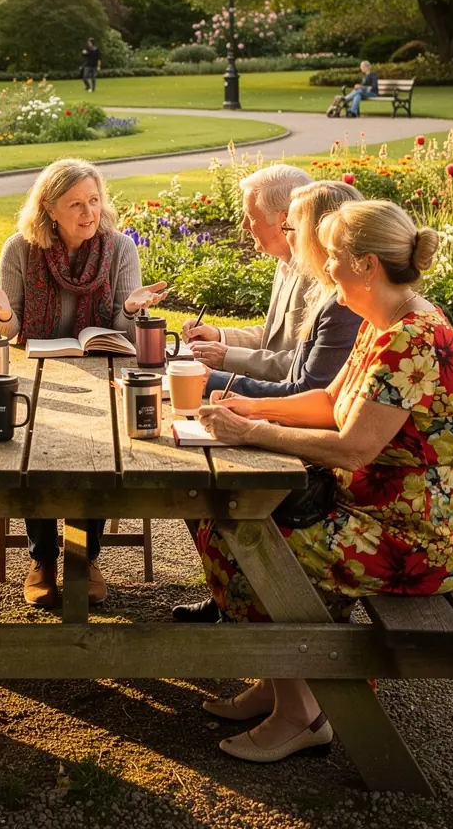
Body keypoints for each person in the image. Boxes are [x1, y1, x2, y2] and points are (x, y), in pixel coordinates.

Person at [195, 199, 453, 765]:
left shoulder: (411, 340)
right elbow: (330, 402)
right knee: (222, 524)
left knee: (247, 540)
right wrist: (248, 406)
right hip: (379, 513)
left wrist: (252, 434)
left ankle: (303, 712)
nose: (323, 266)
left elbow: (354, 445)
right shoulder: (387, 323)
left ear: (367, 264)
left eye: (332, 257)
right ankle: (284, 685)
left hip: (419, 538)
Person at [0, 157, 168, 609]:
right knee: (31, 442)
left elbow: (125, 333)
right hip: (36, 369)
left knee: (101, 445)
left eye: (94, 200)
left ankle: (84, 556)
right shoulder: (20, 249)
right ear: (49, 209)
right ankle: (42, 557)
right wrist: (2, 313)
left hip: (99, 367)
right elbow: (9, 330)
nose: (89, 212)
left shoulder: (120, 249)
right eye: (75, 203)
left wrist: (133, 310)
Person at [172, 179, 364, 623]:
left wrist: (232, 393)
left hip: (342, 487)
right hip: (327, 455)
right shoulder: (324, 288)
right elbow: (302, 369)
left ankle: (263, 615)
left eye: (291, 227)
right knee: (202, 490)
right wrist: (237, 387)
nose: (249, 227)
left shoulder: (347, 304)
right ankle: (234, 603)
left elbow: (309, 391)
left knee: (216, 500)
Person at [181, 165, 313, 382]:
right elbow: (275, 337)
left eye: (251, 217)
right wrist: (219, 336)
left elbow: (304, 364)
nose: (243, 225)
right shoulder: (286, 262)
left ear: (285, 220)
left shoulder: (319, 275)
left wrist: (226, 356)